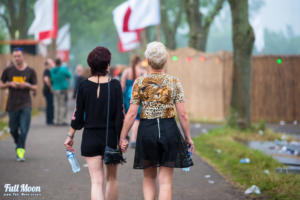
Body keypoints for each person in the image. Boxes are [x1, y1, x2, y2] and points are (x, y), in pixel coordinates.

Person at [119, 42, 194, 200]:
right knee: (165, 182)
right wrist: (188, 137)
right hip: (169, 129)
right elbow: (183, 114)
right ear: (165, 60)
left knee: (149, 178)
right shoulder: (174, 82)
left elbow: (132, 113)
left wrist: (123, 136)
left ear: (147, 59)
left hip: (147, 130)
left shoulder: (140, 83)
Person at [64, 46, 124, 200]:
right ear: (107, 65)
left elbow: (77, 115)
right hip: (110, 137)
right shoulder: (115, 85)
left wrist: (70, 135)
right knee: (112, 179)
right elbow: (120, 116)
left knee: (96, 182)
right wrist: (123, 138)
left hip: (90, 138)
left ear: (90, 65)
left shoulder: (83, 86)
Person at [0, 48, 37, 162]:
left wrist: (27, 85)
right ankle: (18, 143)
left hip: (25, 103)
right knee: (12, 129)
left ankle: (20, 151)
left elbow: (35, 87)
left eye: (19, 56)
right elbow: (1, 84)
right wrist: (9, 84)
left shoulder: (30, 71)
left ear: (23, 56)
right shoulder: (8, 70)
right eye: (15, 56)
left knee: (24, 128)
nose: (17, 58)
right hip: (12, 104)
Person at [121, 55, 146, 148]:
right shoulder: (143, 72)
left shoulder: (126, 71)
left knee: (129, 115)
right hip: (138, 96)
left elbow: (122, 87)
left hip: (127, 97)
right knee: (137, 118)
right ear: (139, 62)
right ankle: (133, 139)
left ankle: (126, 135)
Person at [50, 58, 71, 126]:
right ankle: (61, 121)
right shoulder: (63, 69)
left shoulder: (52, 70)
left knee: (56, 105)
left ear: (55, 63)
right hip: (62, 89)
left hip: (55, 89)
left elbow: (51, 78)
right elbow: (69, 75)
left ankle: (56, 120)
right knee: (62, 105)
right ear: (61, 63)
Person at [43, 59, 55, 125]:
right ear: (48, 64)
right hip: (48, 90)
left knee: (51, 105)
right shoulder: (46, 71)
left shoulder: (50, 71)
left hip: (50, 90)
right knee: (50, 105)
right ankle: (49, 120)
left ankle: (51, 119)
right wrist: (51, 87)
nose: (52, 64)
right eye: (51, 63)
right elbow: (46, 80)